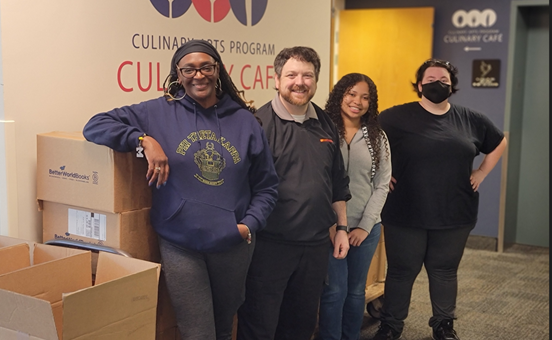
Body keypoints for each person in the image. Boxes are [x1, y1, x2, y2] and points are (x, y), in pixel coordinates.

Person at [82, 39, 279, 340]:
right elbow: (95, 125)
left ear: (217, 70)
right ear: (177, 73)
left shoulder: (245, 121)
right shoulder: (157, 112)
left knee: (224, 328)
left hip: (233, 244)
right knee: (198, 334)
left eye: (205, 67)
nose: (198, 75)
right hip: (180, 243)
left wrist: (247, 225)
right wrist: (142, 140)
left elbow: (267, 186)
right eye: (189, 69)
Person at [372, 59, 507, 340]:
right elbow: (364, 139)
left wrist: (482, 171)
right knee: (401, 271)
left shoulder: (471, 119)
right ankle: (391, 325)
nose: (438, 83)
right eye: (431, 79)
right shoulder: (395, 117)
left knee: (444, 271)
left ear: (452, 86)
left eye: (444, 80)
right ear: (420, 85)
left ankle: (443, 325)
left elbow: (499, 142)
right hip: (405, 211)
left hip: (454, 212)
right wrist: (379, 174)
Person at [236, 46, 351, 340]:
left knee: (300, 326)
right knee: (259, 326)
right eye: (292, 75)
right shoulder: (257, 124)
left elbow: (337, 181)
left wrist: (341, 228)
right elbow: (242, 187)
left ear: (315, 80)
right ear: (276, 80)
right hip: (269, 247)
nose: (300, 82)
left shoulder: (326, 123)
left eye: (307, 75)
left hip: (314, 247)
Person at [317, 73, 391, 340]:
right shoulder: (322, 129)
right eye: (351, 94)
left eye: (365, 97)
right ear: (339, 95)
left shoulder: (377, 137)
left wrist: (364, 226)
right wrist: (332, 225)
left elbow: (382, 185)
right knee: (334, 291)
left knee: (356, 291)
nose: (357, 102)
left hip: (365, 229)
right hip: (329, 226)